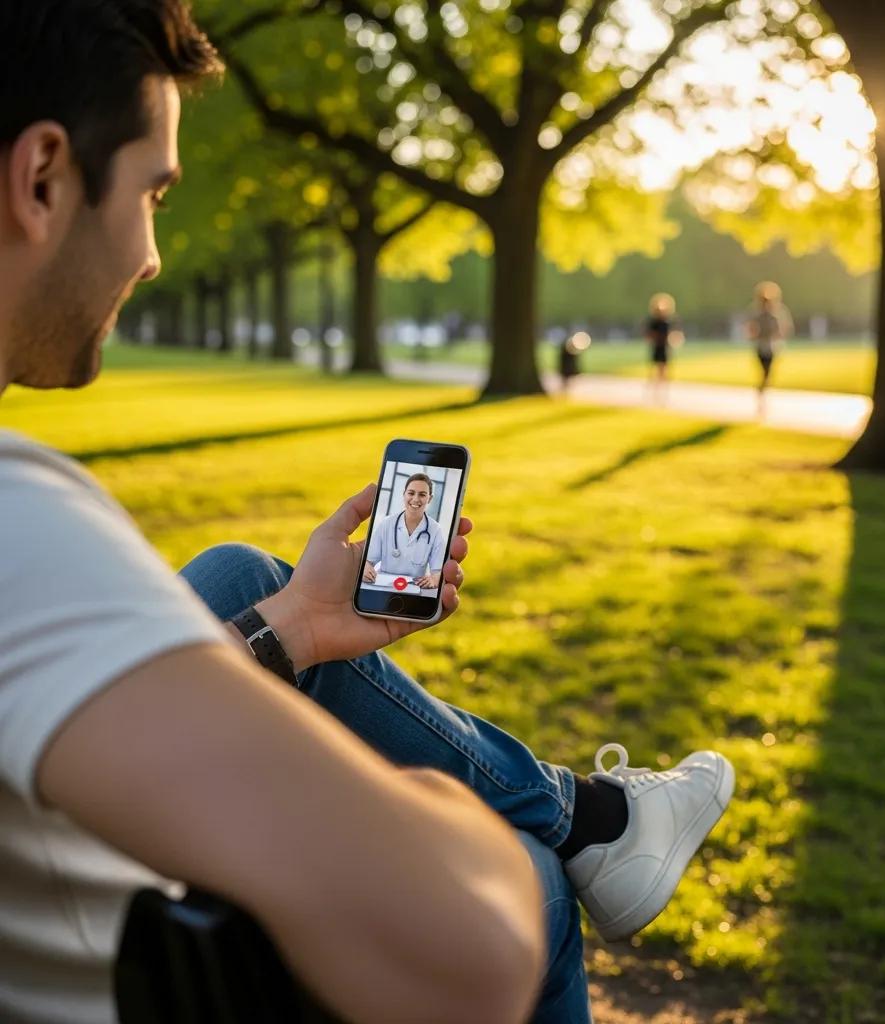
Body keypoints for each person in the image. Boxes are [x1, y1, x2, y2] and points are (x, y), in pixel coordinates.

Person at [0, 4, 735, 1023]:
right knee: (528, 876)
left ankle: (591, 817)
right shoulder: (22, 527)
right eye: (154, 194)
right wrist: (425, 802)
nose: (155, 253)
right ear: (42, 179)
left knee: (244, 580)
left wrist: (292, 628)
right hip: (130, 971)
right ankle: (579, 824)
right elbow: (463, 952)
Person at [362, 472, 445, 590]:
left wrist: (434, 579)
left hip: (414, 589)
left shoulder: (435, 530)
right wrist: (365, 568)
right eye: (411, 493)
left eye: (422, 495)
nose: (415, 499)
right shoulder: (387, 524)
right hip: (383, 587)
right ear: (404, 494)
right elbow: (368, 561)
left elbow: (438, 572)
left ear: (429, 498)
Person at [746, 281, 793, 416]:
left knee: (767, 375)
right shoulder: (756, 312)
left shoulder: (777, 312)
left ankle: (762, 393)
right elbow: (751, 328)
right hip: (761, 346)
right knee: (764, 373)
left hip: (772, 347)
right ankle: (761, 397)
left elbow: (783, 328)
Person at [645, 293, 684, 403]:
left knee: (664, 371)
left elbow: (673, 334)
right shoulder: (654, 322)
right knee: (655, 370)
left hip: (665, 348)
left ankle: (662, 392)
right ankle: (654, 391)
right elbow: (649, 335)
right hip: (657, 347)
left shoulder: (668, 322)